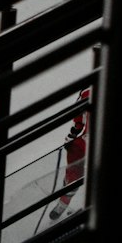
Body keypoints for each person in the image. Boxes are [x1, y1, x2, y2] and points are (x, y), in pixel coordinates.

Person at [48, 90, 91, 221]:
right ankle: (63, 203)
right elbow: (79, 119)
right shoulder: (87, 92)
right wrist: (71, 136)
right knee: (72, 175)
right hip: (83, 145)